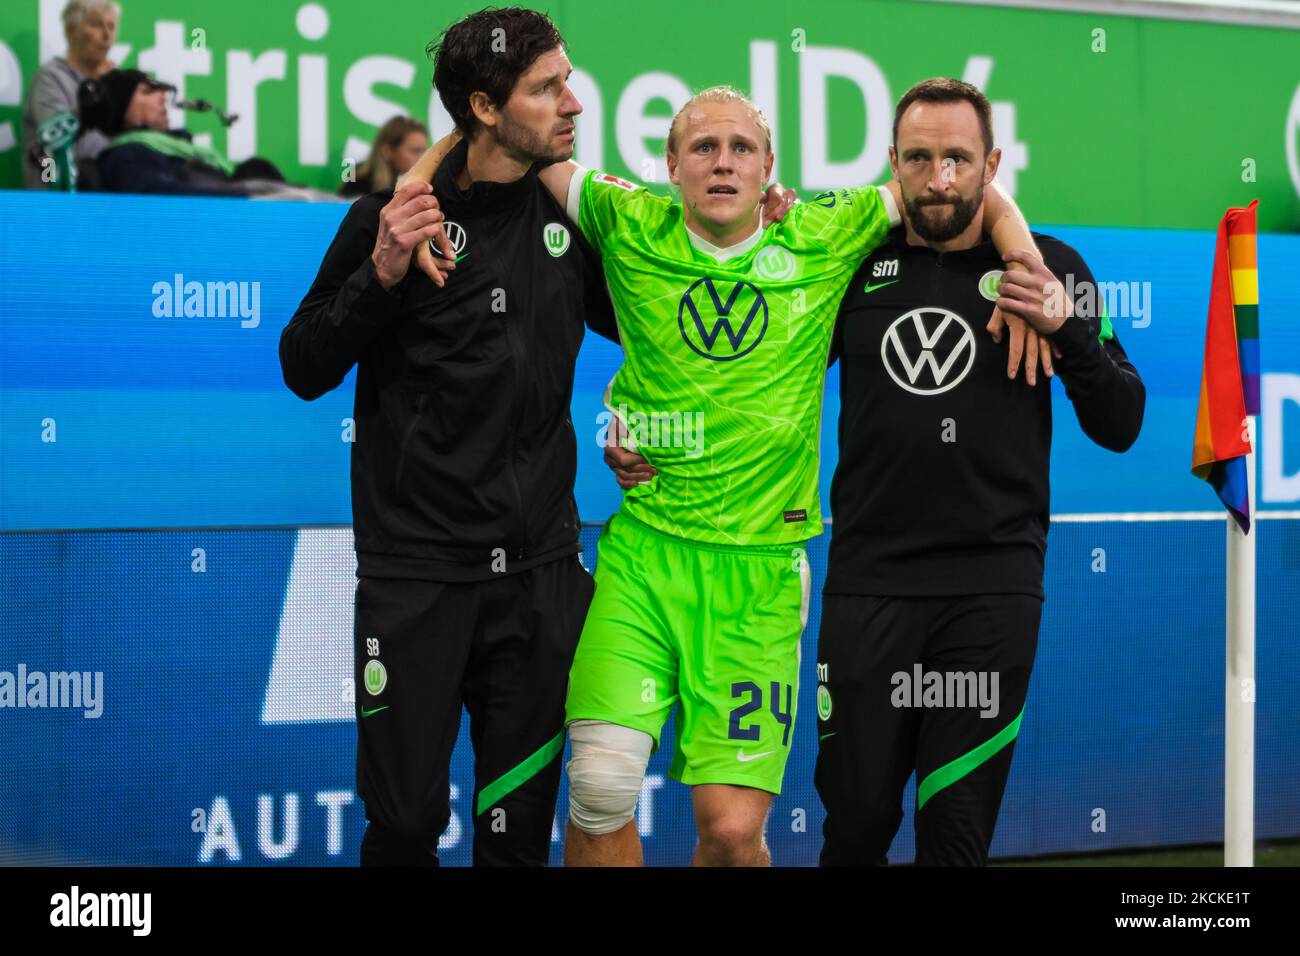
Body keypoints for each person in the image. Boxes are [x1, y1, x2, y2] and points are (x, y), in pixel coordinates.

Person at [401, 80, 1040, 865]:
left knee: (734, 834)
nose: (722, 162)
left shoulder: (825, 231)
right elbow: (510, 147)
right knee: (600, 792)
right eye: (703, 147)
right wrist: (409, 180)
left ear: (770, 168)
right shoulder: (627, 218)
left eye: (741, 148)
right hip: (643, 560)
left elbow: (952, 182)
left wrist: (1023, 254)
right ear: (671, 165)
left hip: (761, 578)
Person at [279, 7, 621, 867]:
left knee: (513, 839)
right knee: (401, 825)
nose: (572, 102)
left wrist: (643, 427)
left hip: (540, 580)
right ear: (483, 106)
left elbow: (669, 340)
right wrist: (385, 270)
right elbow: (303, 363)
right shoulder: (390, 219)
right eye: (547, 88)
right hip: (415, 580)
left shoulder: (580, 221)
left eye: (567, 80)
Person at [813, 78, 1145, 866]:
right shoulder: (849, 263)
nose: (940, 179)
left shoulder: (1050, 267)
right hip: (867, 589)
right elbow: (758, 378)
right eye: (920, 159)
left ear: (990, 163)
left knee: (954, 835)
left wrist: (1066, 331)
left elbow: (1123, 422)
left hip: (990, 595)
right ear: (891, 163)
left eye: (958, 159)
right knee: (855, 827)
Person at [77, 68, 289, 196]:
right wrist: (244, 195)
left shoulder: (178, 149)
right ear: (122, 111)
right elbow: (162, 198)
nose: (162, 96)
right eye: (148, 91)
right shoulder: (128, 156)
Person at [21, 0, 119, 189]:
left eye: (111, 26)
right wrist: (96, 92)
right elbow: (59, 142)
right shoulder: (51, 78)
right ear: (71, 30)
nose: (107, 36)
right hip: (56, 204)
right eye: (96, 25)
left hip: (107, 202)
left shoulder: (111, 84)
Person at [340, 116, 430, 198]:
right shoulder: (358, 181)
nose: (422, 158)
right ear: (387, 151)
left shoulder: (407, 184)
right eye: (414, 151)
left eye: (423, 151)